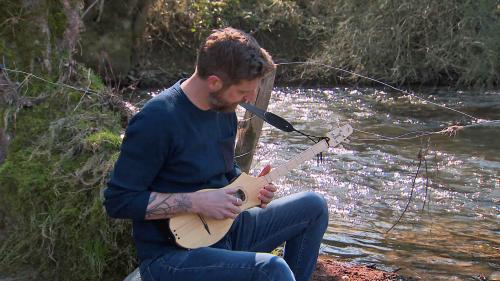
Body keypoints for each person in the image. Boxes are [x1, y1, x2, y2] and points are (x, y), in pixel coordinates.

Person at [104, 27, 328, 281]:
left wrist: (252, 189)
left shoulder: (224, 110)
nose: (250, 98)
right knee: (271, 269)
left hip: (226, 232)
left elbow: (222, 172)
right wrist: (197, 202)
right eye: (244, 91)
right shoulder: (156, 121)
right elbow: (118, 201)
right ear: (214, 82)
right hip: (172, 258)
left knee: (313, 206)